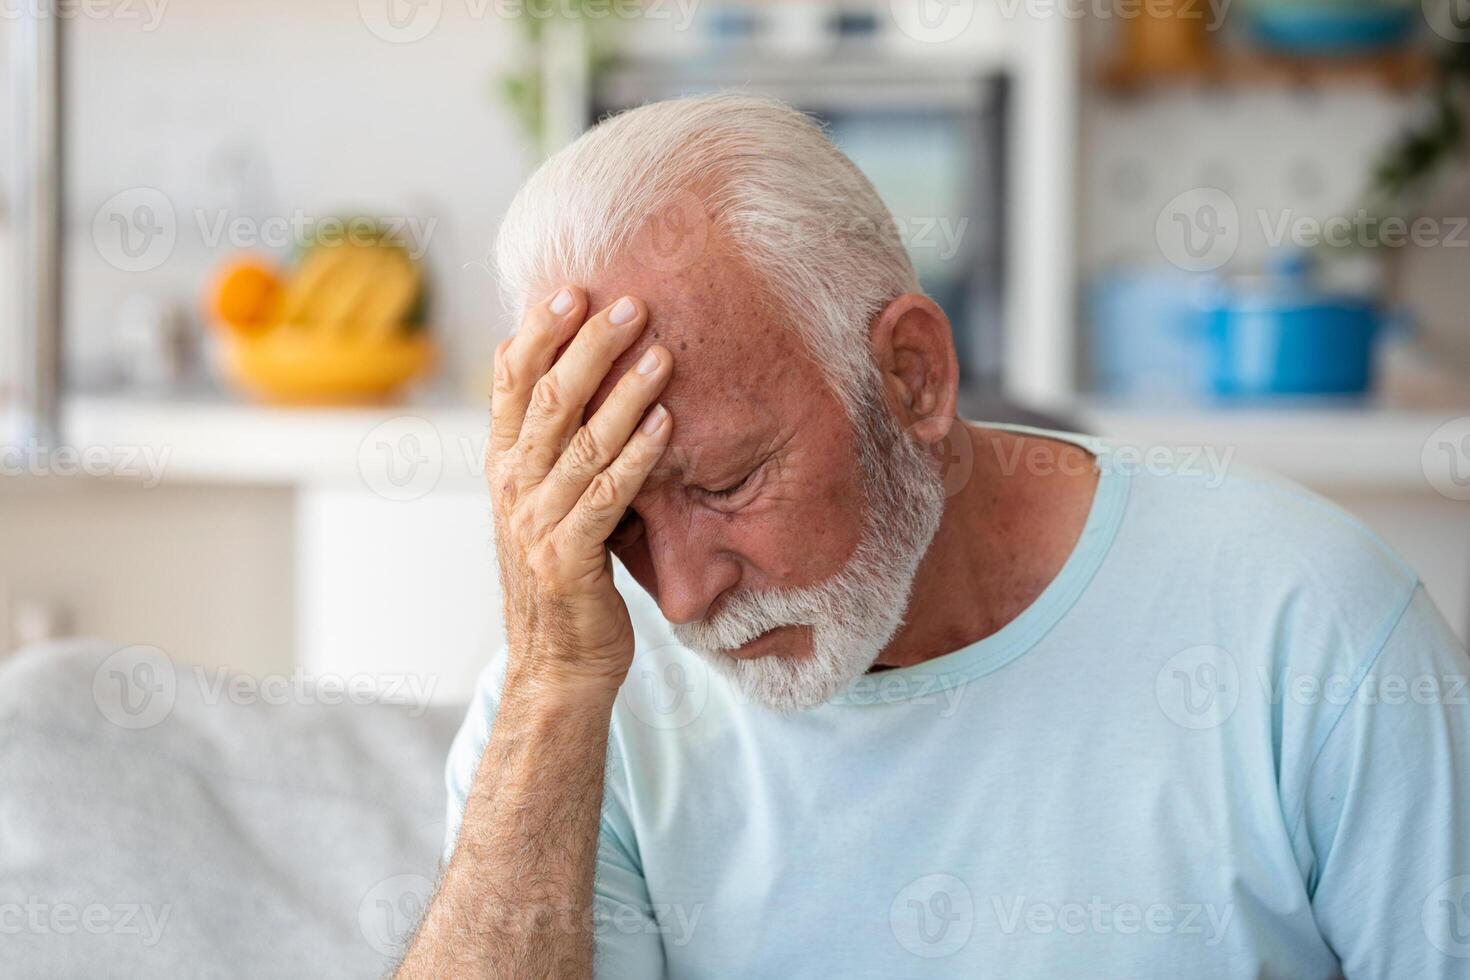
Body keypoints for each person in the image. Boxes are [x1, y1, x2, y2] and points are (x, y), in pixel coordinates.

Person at [396, 94, 1470, 978]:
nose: (678, 596)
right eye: (620, 514)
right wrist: (552, 686)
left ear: (911, 375)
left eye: (723, 482)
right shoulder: (565, 709)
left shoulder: (1313, 627)